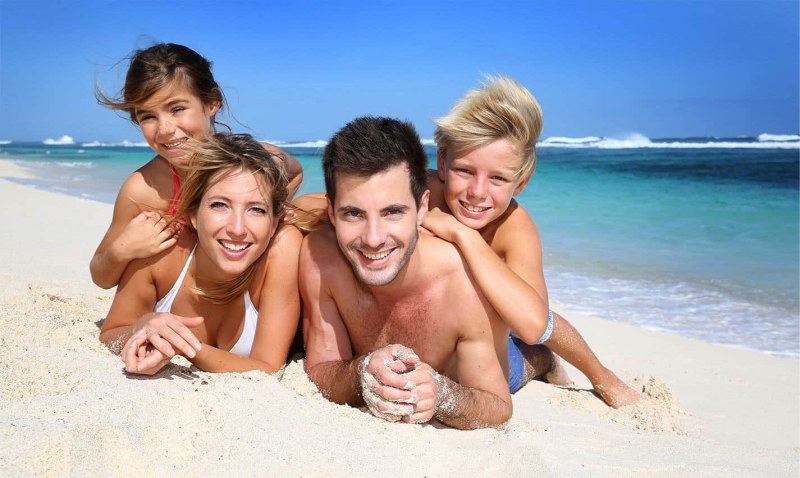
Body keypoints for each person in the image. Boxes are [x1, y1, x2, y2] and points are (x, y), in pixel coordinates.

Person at [300, 116, 558, 430]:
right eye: (353, 213)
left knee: (521, 363)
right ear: (331, 211)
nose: (373, 238)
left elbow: (498, 404)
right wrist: (360, 373)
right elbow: (322, 369)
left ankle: (545, 359)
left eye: (393, 212)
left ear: (423, 207)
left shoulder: (467, 284)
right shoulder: (320, 258)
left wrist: (441, 394)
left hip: (473, 366)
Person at [423, 76, 640, 407]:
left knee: (500, 369)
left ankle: (544, 362)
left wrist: (463, 236)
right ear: (442, 162)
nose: (477, 192)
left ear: (520, 183)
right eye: (465, 171)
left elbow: (535, 322)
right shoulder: (417, 190)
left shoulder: (515, 228)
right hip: (430, 321)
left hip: (493, 337)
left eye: (497, 178)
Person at [91, 43, 303, 290]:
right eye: (148, 116)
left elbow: (294, 172)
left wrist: (274, 212)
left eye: (177, 109)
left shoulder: (254, 161)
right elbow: (101, 276)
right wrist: (123, 249)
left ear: (212, 103)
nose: (165, 129)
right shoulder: (143, 189)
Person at [99, 133, 302, 375]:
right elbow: (111, 333)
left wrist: (181, 345)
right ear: (193, 214)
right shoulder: (161, 250)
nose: (237, 229)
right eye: (219, 205)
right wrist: (141, 326)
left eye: (256, 210)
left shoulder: (282, 249)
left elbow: (266, 368)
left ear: (275, 220)